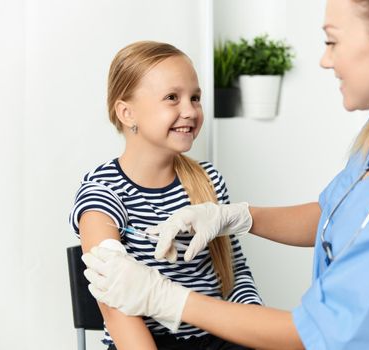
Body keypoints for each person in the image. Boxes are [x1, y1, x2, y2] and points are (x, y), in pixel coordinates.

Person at [81, 0, 369, 349]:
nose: (323, 60)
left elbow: (319, 333)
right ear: (126, 111)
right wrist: (241, 216)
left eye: (332, 41)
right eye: (171, 97)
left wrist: (166, 297)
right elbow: (332, 214)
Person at [69, 41, 262, 350]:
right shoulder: (103, 191)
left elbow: (234, 273)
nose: (190, 110)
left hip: (217, 338)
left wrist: (256, 328)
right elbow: (116, 307)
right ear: (126, 112)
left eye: (195, 98)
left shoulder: (208, 180)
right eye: (172, 97)